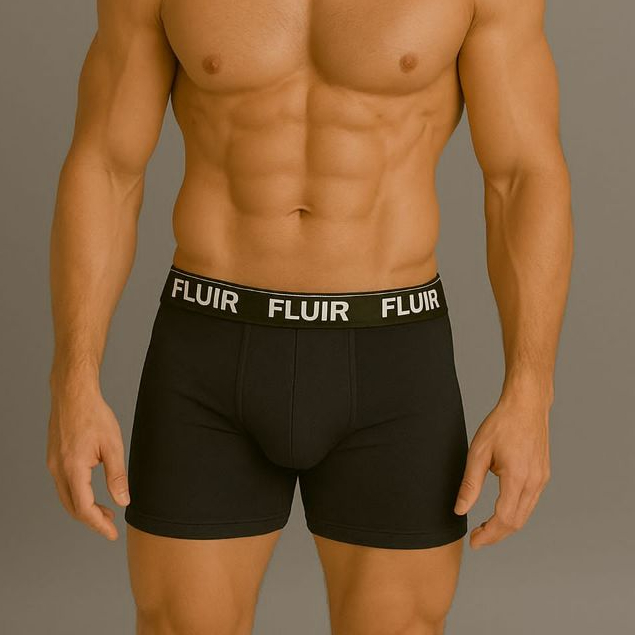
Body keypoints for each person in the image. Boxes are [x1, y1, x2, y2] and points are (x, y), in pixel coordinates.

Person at [46, 0, 573, 632]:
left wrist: (530, 391)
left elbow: (522, 177)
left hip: (391, 363)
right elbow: (106, 166)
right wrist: (73, 380)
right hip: (209, 352)